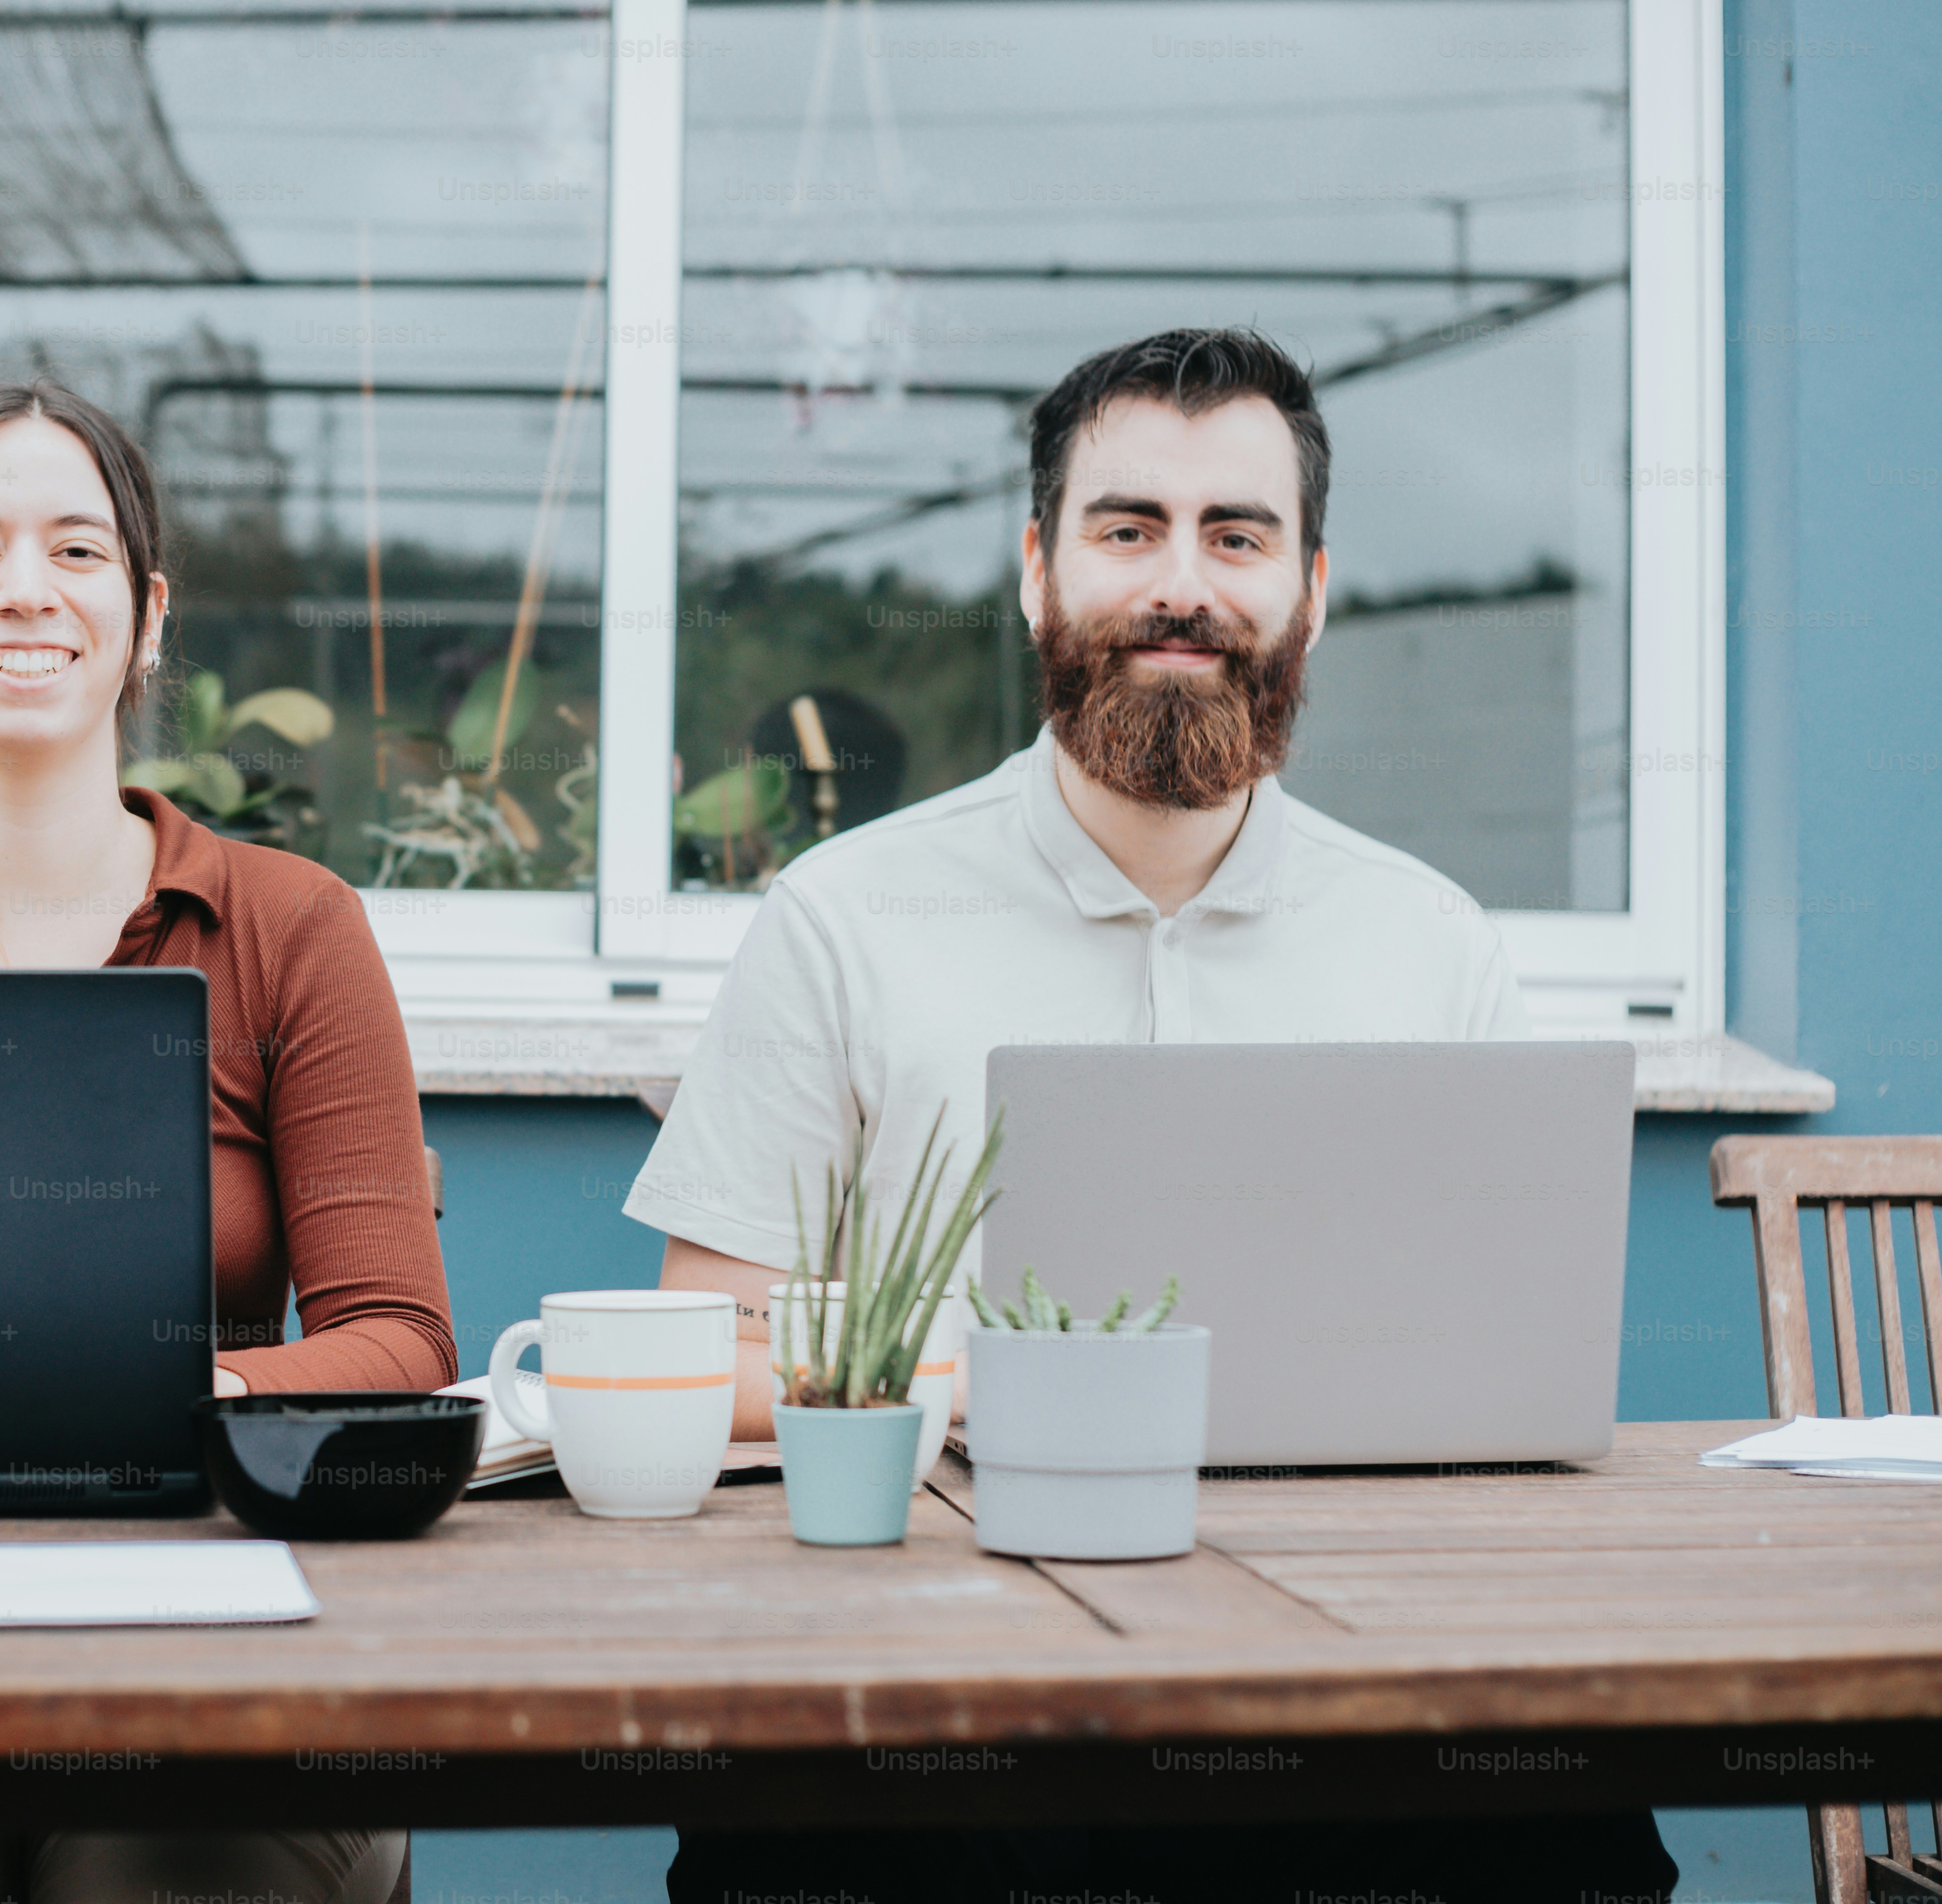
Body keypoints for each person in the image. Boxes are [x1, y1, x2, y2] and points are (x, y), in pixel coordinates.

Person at [626, 329, 1676, 1904]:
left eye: (1236, 536)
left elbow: (1499, 1385)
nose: (1182, 584)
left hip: (1342, 1676)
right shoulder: (845, 914)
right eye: (1129, 530)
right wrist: (986, 1377)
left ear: (1311, 589)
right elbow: (701, 1352)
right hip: (937, 1662)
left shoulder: (1431, 937)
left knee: (1571, 1837)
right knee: (815, 1852)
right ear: (1038, 572)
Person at [0, 379, 441, 1904]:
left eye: (77, 551)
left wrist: (155, 1401)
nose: (24, 589)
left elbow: (396, 1338)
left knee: (153, 1868)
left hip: (210, 1640)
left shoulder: (288, 928)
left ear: (146, 614)